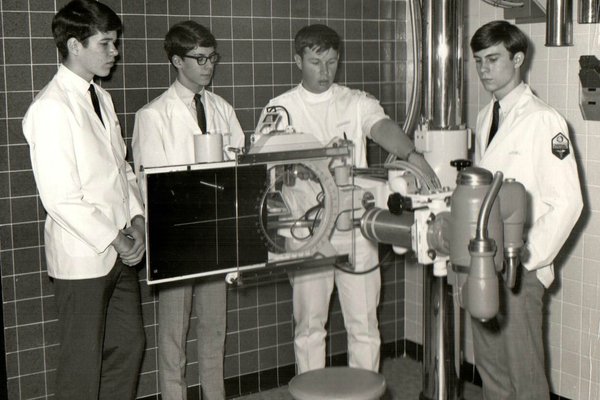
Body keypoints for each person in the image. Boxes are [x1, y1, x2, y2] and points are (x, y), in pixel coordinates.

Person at [257, 24, 437, 374]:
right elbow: (265, 162)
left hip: (355, 226)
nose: (324, 72)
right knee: (309, 326)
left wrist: (413, 156)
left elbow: (380, 126)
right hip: (306, 232)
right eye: (314, 62)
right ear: (297, 61)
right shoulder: (281, 109)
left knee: (364, 324)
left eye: (331, 62)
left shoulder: (356, 102)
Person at [22, 1, 146, 399]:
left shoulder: (101, 98)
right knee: (82, 362)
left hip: (119, 248)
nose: (115, 52)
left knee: (128, 347)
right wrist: (118, 237)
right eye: (106, 43)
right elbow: (61, 198)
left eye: (115, 43)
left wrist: (139, 219)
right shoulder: (50, 108)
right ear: (75, 45)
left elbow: (121, 168)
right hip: (85, 255)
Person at [132, 21, 245, 400]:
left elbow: (238, 165)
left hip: (215, 235)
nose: (208, 65)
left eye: (212, 57)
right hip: (177, 239)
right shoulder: (153, 115)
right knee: (173, 339)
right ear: (177, 60)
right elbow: (151, 186)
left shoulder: (221, 108)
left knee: (215, 332)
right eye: (200, 59)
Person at [469, 20, 583, 399]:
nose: (484, 69)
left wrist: (524, 257)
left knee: (524, 371)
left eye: (492, 59)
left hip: (519, 267)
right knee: (490, 367)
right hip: (486, 260)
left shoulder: (544, 120)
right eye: (478, 61)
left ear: (518, 58)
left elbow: (568, 202)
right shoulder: (487, 117)